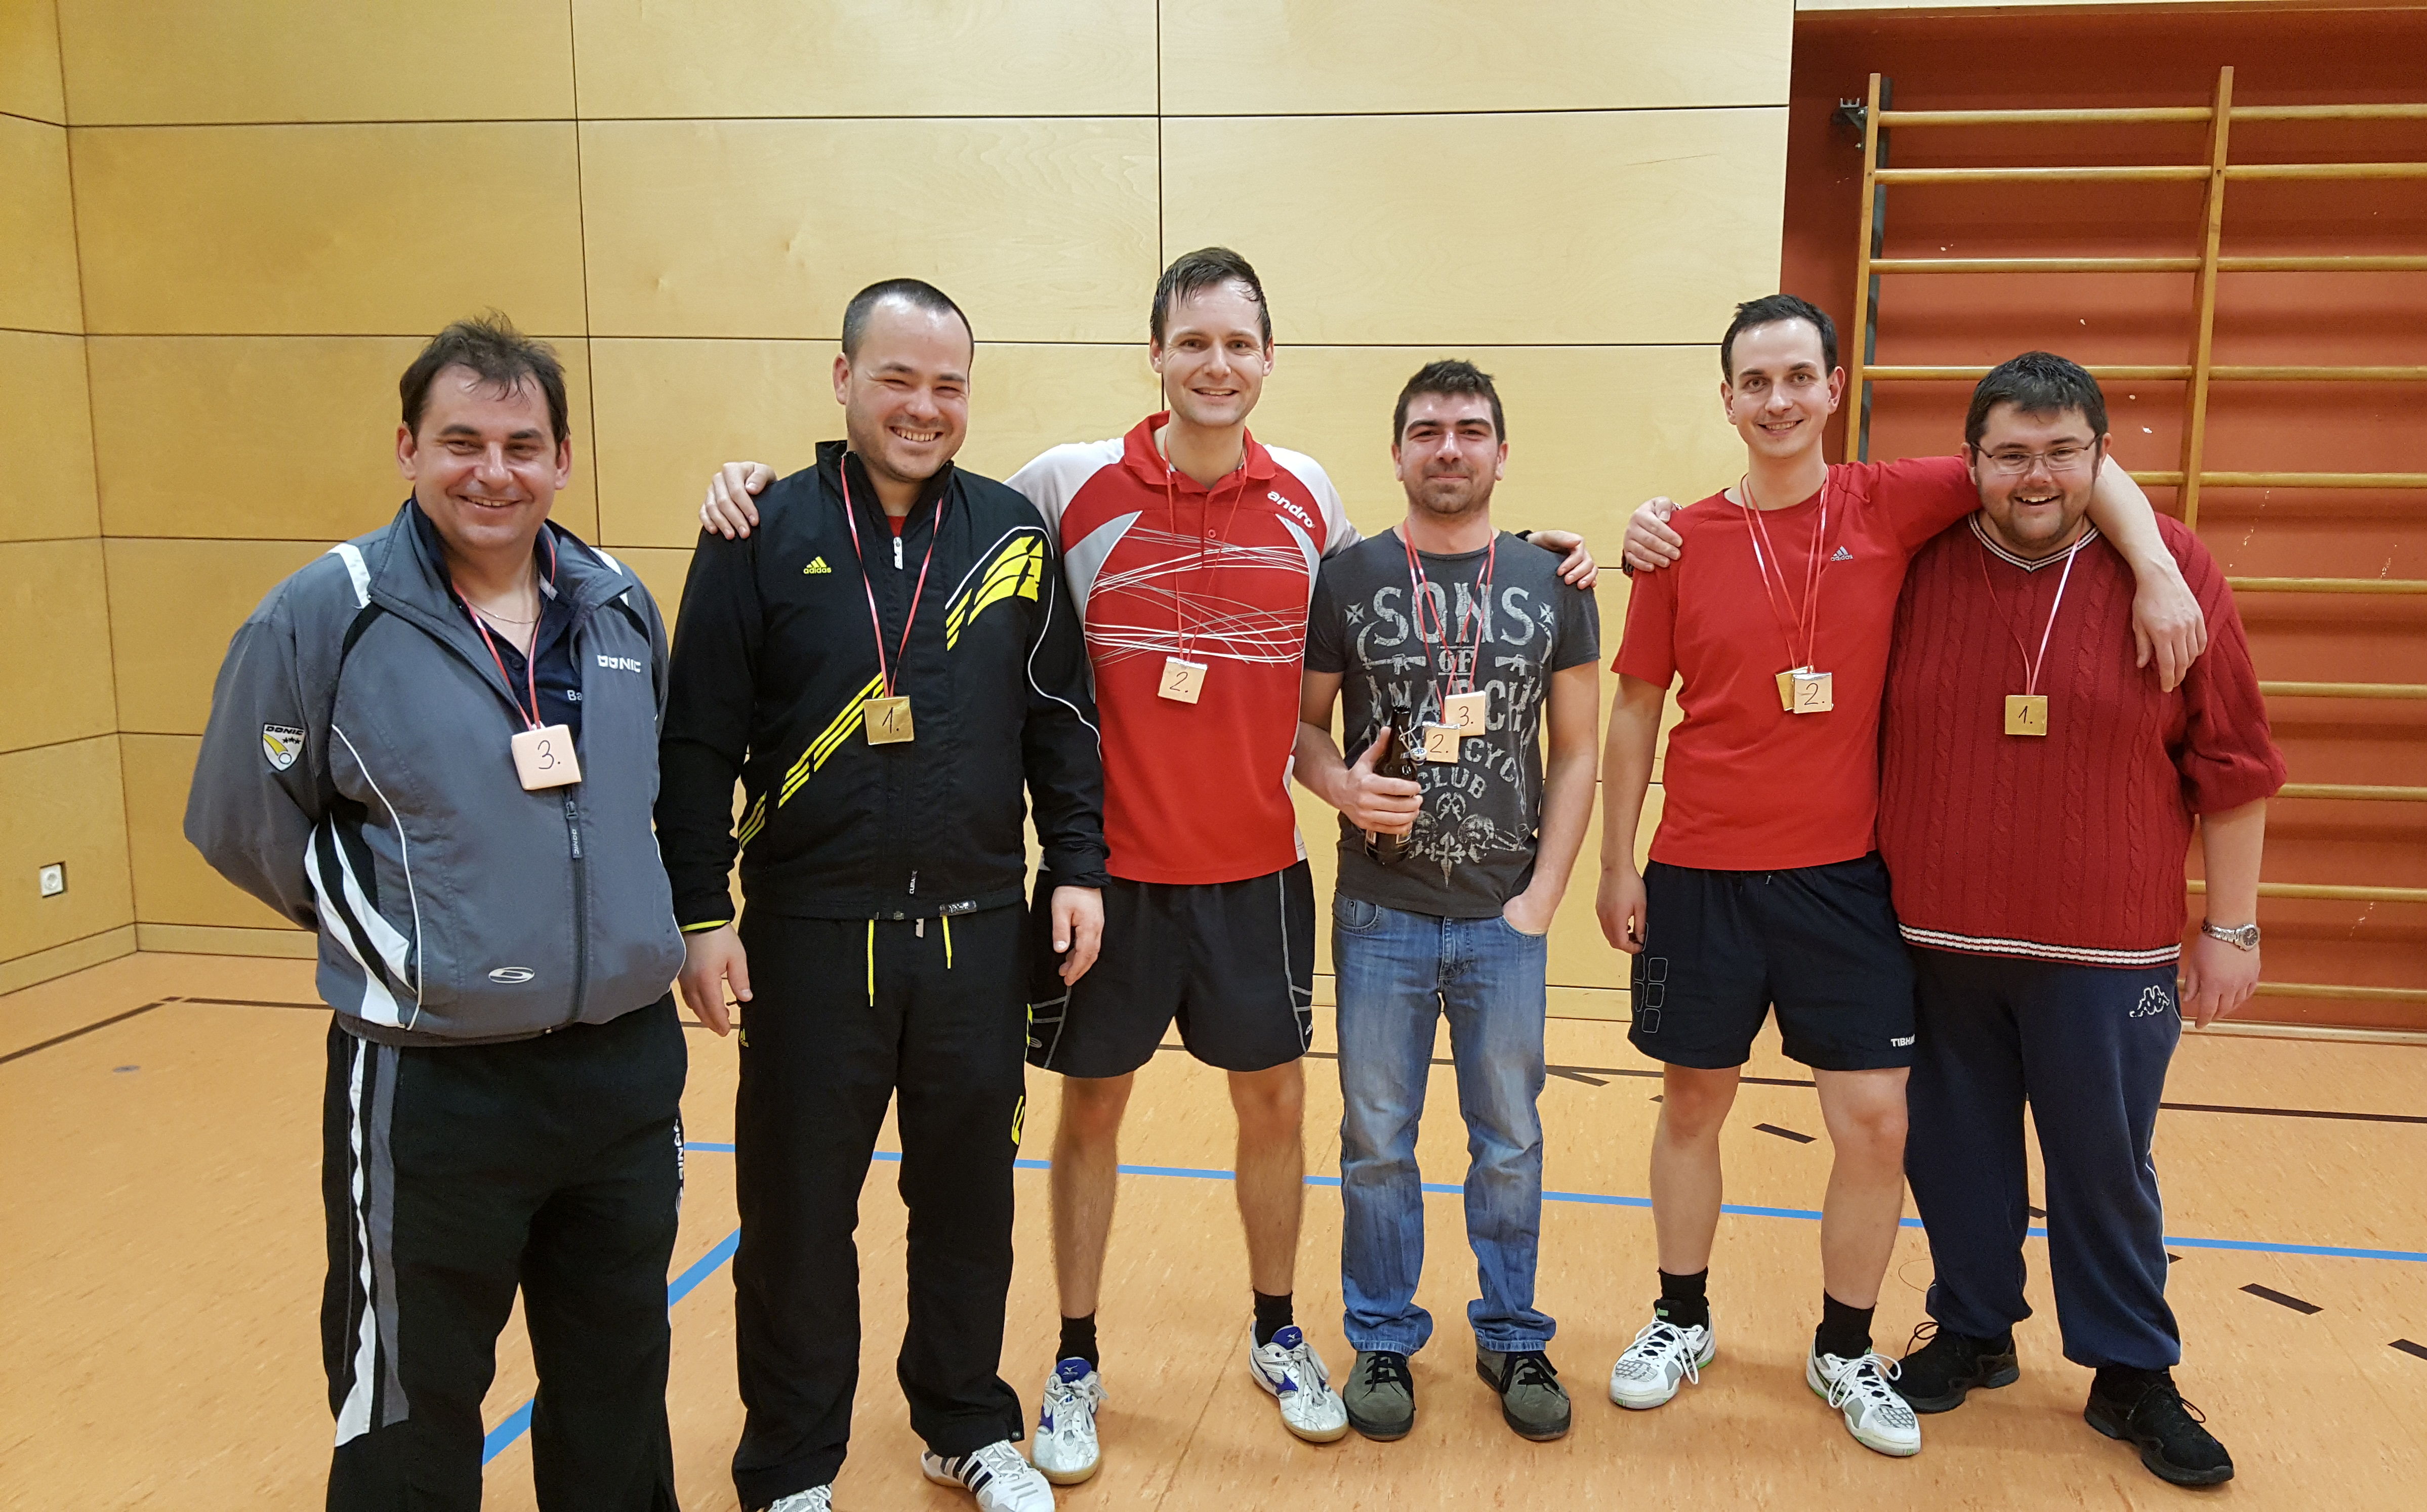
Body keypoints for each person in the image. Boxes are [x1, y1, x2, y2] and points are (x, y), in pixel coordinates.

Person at [693, 248, 1595, 1482]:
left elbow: (1399, 578)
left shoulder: (1309, 496)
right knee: (1094, 1111)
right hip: (1107, 881)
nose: (1216, 366)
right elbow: (916, 507)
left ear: (1267, 360)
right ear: (1156, 354)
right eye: (1193, 343)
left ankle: (1277, 1332)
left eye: (1238, 345)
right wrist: (753, 484)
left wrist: (1542, 553)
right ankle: (1073, 1359)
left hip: (1256, 876)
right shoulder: (1064, 486)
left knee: (1273, 1108)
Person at [1594, 295, 2208, 1458]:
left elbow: (2064, 463)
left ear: (1834, 389)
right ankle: (1680, 1317)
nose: (1777, 400)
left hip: (1841, 882)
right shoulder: (1678, 540)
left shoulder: (1888, 500)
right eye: (1754, 381)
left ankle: (1843, 1345)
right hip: (1698, 874)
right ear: (1726, 399)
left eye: (1798, 377)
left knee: (1877, 1123)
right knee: (1693, 1104)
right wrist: (1617, 863)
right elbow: (1634, 712)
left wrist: (2155, 568)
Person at [184, 315, 690, 1511]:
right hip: (432, 1083)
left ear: (563, 459)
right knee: (411, 1399)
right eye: (462, 442)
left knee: (617, 1382)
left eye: (522, 445)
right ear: (408, 447)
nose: (492, 472)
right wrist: (407, 943)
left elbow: (645, 799)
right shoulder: (325, 614)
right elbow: (242, 823)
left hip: (621, 1072)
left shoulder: (619, 604)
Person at [657, 279, 1104, 1512]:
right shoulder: (757, 529)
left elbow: (1062, 722)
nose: (923, 406)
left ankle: (964, 1424)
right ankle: (790, 1465)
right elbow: (696, 739)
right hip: (811, 941)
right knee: (798, 1221)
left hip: (975, 937)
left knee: (966, 1208)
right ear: (843, 378)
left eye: (947, 385)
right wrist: (701, 914)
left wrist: (1076, 864)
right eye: (897, 378)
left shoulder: (1013, 535)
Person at [1881, 353, 2278, 1487]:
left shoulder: (2172, 573)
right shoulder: (1915, 561)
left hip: (2107, 951)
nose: (2036, 476)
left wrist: (2232, 929)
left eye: (2063, 453)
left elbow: (2233, 761)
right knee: (1951, 1154)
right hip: (1932, 942)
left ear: (2104, 460)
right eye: (2010, 454)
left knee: (2105, 1167)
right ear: (1970, 463)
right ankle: (1973, 1327)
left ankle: (2131, 1368)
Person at [1292, 360, 1600, 1445]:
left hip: (1501, 918)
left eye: (1471, 430)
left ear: (1502, 454)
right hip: (1378, 913)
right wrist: (1337, 785)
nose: (1449, 448)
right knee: (1377, 1139)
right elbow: (1303, 728)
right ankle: (1382, 1334)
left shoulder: (1555, 579)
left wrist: (1544, 897)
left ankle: (1512, 1332)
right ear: (1398, 453)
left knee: (1508, 1138)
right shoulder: (1347, 576)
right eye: (1427, 431)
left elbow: (1578, 750)